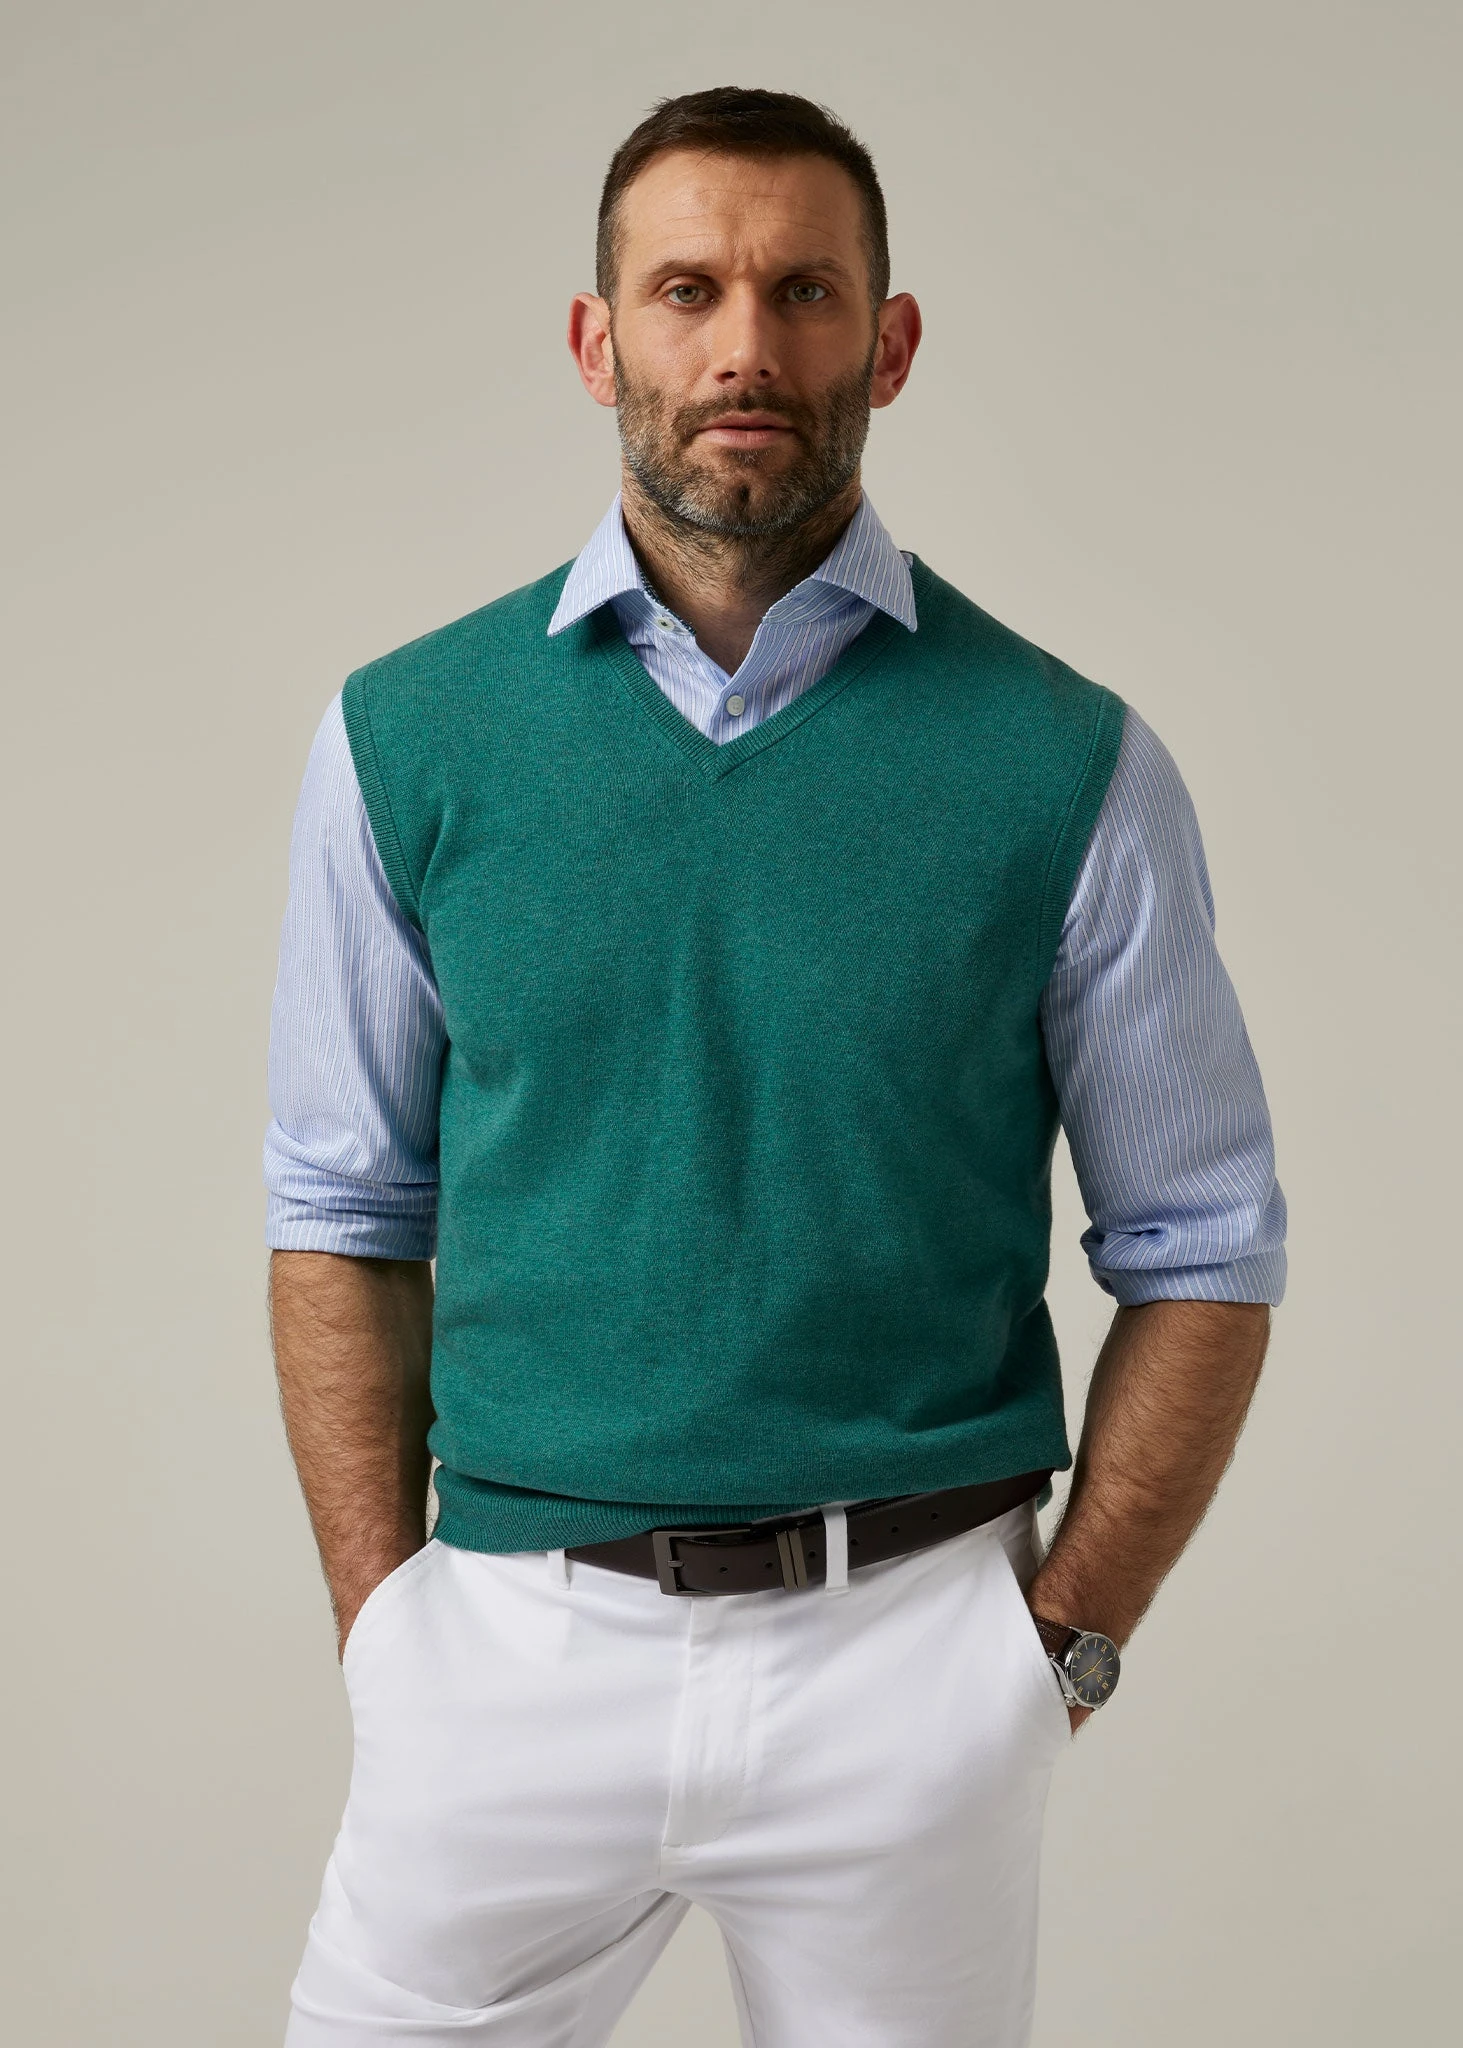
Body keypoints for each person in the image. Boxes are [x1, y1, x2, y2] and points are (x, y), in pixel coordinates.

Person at [265, 85, 1285, 2048]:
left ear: (885, 344)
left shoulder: (1063, 760)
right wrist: (387, 1627)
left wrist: (1055, 1651)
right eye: (687, 291)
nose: (743, 344)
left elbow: (1207, 1243)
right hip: (507, 1645)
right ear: (597, 341)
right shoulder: (403, 738)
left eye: (802, 291)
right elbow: (340, 1209)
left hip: (910, 1648)